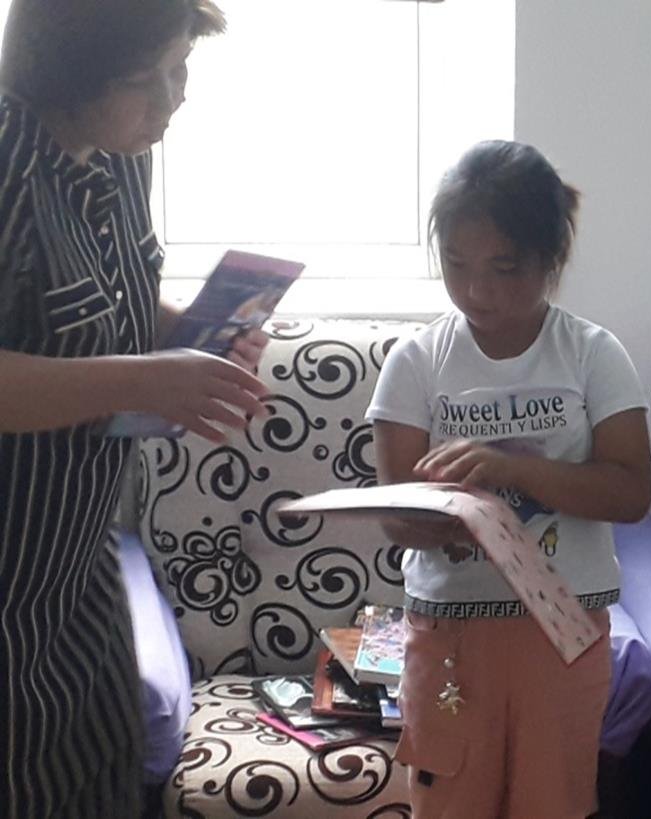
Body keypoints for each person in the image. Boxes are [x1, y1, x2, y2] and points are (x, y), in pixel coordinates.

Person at [0, 1, 272, 815]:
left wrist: (193, 335)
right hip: (8, 582)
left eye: (180, 67)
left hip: (75, 576)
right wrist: (140, 380)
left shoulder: (121, 158)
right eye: (141, 79)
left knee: (99, 782)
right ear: (67, 77)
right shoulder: (10, 170)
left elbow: (108, 300)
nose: (171, 98)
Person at [367, 139, 651, 819]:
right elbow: (396, 515)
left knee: (553, 802)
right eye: (456, 264)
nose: (478, 291)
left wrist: (512, 470)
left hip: (563, 630)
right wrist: (449, 520)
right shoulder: (417, 361)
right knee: (450, 802)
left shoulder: (592, 353)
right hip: (450, 634)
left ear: (551, 259)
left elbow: (630, 492)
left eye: (504, 267)